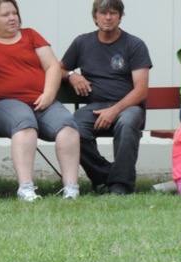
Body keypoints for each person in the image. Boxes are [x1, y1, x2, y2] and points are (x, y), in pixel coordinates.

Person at [0, 0, 80, 201]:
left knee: (67, 127)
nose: (12, 18)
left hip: (41, 100)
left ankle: (71, 188)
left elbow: (52, 66)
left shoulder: (31, 35)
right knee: (24, 124)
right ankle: (25, 188)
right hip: (2, 103)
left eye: (14, 13)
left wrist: (49, 94)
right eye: (5, 15)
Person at [61, 0, 151, 195]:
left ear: (120, 17)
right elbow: (59, 69)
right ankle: (107, 176)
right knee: (71, 127)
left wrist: (114, 111)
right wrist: (71, 75)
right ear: (95, 17)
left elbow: (141, 90)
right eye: (103, 13)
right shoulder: (82, 42)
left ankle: (121, 187)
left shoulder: (134, 44)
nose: (108, 17)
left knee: (126, 124)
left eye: (113, 13)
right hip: (95, 106)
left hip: (128, 107)